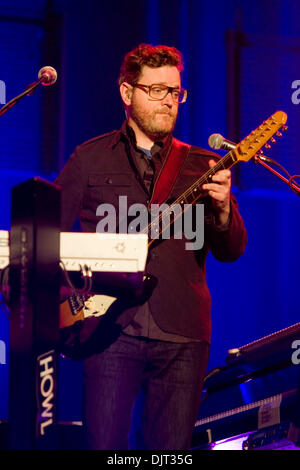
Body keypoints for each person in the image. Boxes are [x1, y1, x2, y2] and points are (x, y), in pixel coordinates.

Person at [55, 43, 247, 450]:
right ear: (127, 93)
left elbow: (231, 250)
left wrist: (224, 209)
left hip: (183, 333)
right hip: (108, 328)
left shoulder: (202, 165)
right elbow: (46, 237)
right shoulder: (89, 159)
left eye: (175, 92)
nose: (168, 101)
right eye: (156, 90)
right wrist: (67, 298)